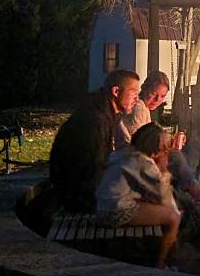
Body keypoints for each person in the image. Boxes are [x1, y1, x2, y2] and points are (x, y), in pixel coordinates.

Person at [120, 71, 200, 212]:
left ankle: (190, 198)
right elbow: (142, 143)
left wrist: (170, 140)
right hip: (136, 159)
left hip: (143, 156)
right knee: (177, 156)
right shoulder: (139, 108)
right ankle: (198, 197)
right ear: (145, 88)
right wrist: (167, 147)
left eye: (162, 96)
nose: (157, 100)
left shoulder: (145, 108)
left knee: (189, 152)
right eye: (154, 94)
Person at [50, 69, 141, 212]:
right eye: (134, 93)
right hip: (75, 194)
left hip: (83, 188)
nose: (137, 99)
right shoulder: (95, 120)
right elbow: (92, 168)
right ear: (116, 91)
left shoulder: (108, 112)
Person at [96, 122, 182, 268]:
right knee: (174, 216)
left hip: (102, 206)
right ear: (156, 149)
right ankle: (162, 263)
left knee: (156, 208)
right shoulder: (143, 162)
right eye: (164, 148)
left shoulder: (125, 151)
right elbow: (165, 198)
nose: (165, 151)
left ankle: (159, 255)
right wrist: (163, 169)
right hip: (115, 213)